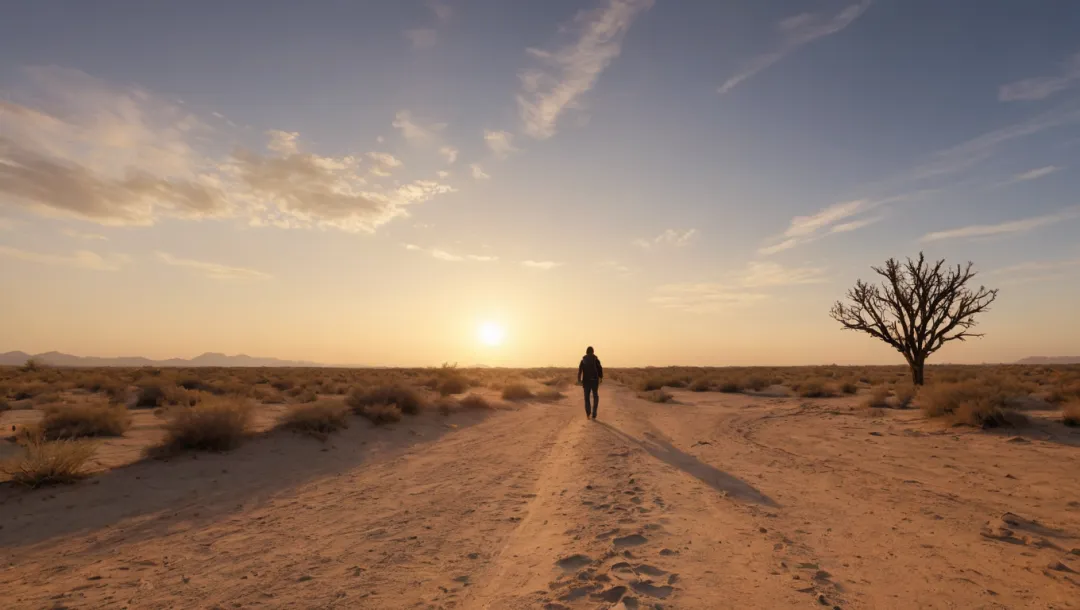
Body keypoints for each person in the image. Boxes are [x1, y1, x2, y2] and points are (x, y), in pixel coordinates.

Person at [577, 346, 603, 420]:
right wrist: (600, 378)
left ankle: (588, 414)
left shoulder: (583, 360)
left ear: (586, 352)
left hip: (586, 381)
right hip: (594, 381)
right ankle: (594, 413)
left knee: (587, 398)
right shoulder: (596, 359)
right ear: (593, 352)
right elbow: (600, 369)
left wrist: (579, 380)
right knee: (595, 396)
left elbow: (580, 371)